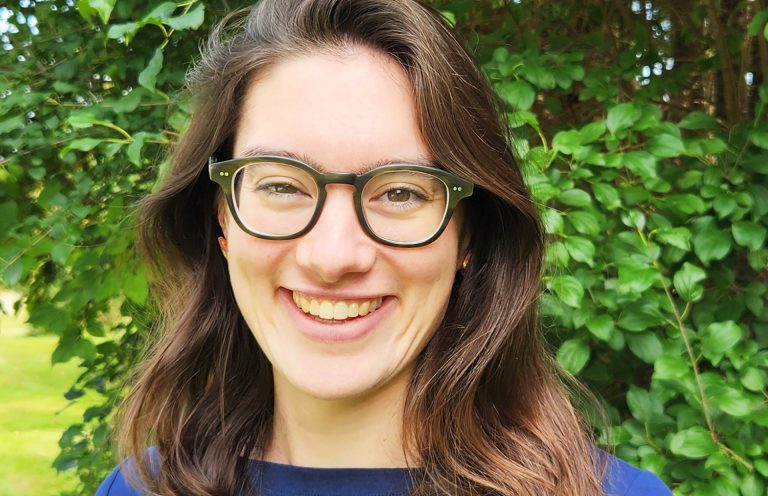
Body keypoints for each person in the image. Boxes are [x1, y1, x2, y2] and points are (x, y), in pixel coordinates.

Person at [96, 1, 673, 494]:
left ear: (468, 233)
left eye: (400, 192)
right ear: (223, 216)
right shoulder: (141, 487)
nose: (333, 256)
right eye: (280, 185)